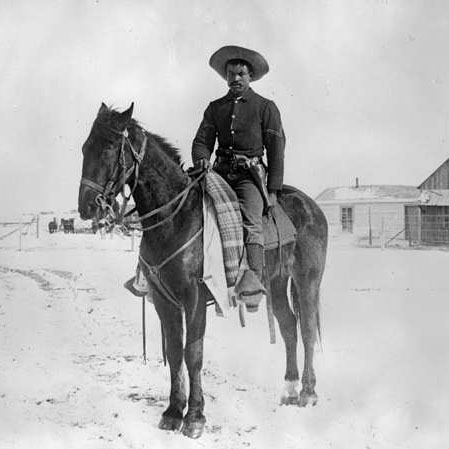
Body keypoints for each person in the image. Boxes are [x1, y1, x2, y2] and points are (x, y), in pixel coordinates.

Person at [192, 45, 286, 309]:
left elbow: (277, 148)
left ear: (250, 76)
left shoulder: (265, 107)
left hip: (249, 178)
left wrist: (273, 190)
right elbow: (202, 141)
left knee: (251, 222)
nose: (235, 78)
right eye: (231, 73)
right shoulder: (215, 108)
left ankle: (253, 283)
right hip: (219, 173)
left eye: (241, 74)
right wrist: (201, 158)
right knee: (195, 212)